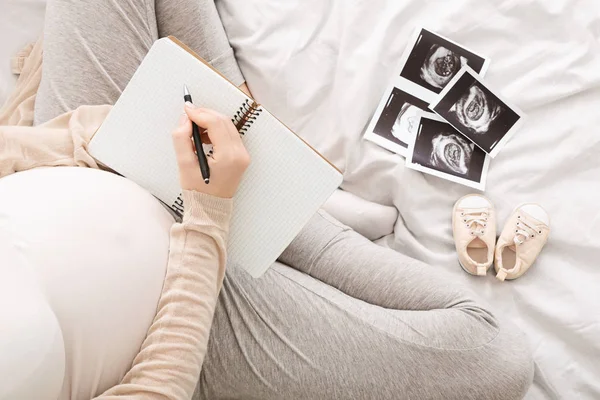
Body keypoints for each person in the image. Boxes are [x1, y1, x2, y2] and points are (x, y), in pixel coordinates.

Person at [4, 0, 534, 399]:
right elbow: (157, 387)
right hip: (170, 309)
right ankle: (291, 203)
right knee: (493, 353)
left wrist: (71, 137)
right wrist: (208, 211)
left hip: (86, 158)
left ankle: (256, 150)